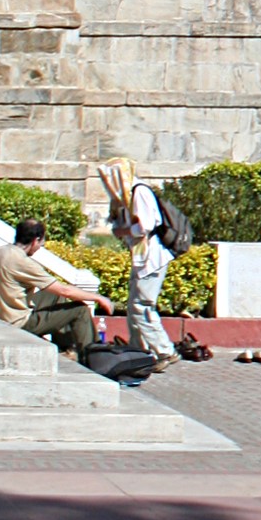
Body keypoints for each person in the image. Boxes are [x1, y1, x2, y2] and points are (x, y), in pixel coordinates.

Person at [0, 219, 113, 356]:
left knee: (54, 296)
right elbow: (65, 290)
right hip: (19, 322)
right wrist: (99, 298)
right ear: (35, 240)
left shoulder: (0, 252)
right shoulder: (23, 262)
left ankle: (65, 349)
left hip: (1, 316)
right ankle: (93, 356)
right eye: (41, 244)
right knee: (80, 310)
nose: (39, 248)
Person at [95, 157, 180, 368]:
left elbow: (146, 225)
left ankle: (164, 351)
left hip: (151, 258)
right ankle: (140, 351)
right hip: (141, 258)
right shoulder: (126, 196)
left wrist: (123, 230)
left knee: (142, 305)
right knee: (134, 306)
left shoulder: (139, 192)